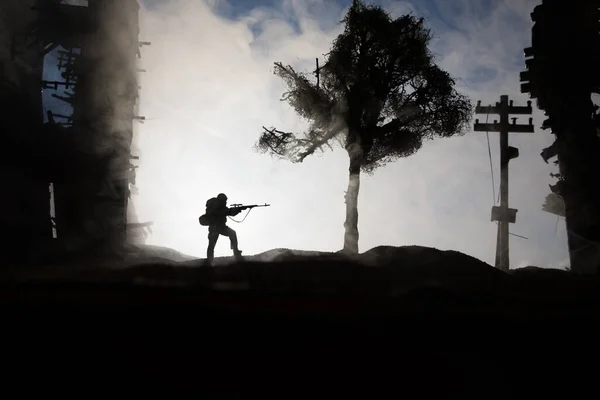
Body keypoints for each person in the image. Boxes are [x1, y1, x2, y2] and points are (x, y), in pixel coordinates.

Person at [204, 193, 243, 265]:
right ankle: (209, 262)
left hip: (220, 227)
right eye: (225, 201)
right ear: (221, 200)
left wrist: (238, 210)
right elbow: (228, 212)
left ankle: (235, 251)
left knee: (232, 233)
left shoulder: (220, 207)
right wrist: (236, 210)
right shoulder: (216, 207)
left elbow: (229, 212)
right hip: (215, 228)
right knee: (211, 246)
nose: (226, 202)